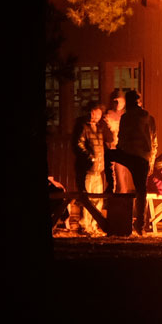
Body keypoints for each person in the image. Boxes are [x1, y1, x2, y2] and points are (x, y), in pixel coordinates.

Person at [109, 88, 158, 234]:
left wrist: (119, 150)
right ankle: (140, 226)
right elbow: (154, 139)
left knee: (108, 156)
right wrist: (151, 159)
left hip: (128, 154)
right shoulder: (149, 118)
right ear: (140, 102)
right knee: (141, 190)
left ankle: (110, 186)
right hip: (143, 157)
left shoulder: (126, 117)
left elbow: (122, 137)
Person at [67, 100, 108, 235]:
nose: (94, 114)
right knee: (87, 199)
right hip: (87, 170)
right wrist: (90, 157)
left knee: (98, 199)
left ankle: (94, 226)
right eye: (92, 111)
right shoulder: (82, 126)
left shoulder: (100, 128)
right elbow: (78, 144)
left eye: (97, 112)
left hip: (98, 169)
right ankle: (85, 226)